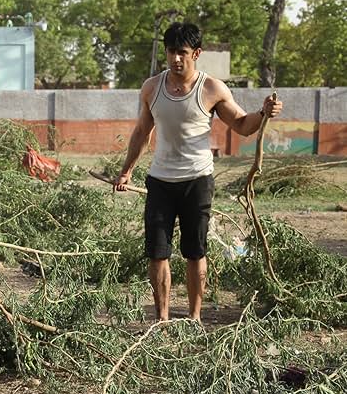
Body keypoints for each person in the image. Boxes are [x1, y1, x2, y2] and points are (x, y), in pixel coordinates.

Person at [113, 22, 281, 322]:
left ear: (197, 53)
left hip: (197, 181)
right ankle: (162, 320)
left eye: (182, 52)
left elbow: (242, 125)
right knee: (157, 252)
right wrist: (126, 171)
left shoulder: (212, 88)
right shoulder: (152, 88)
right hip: (160, 182)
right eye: (170, 52)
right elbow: (141, 132)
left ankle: (193, 318)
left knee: (194, 252)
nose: (176, 59)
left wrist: (263, 113)